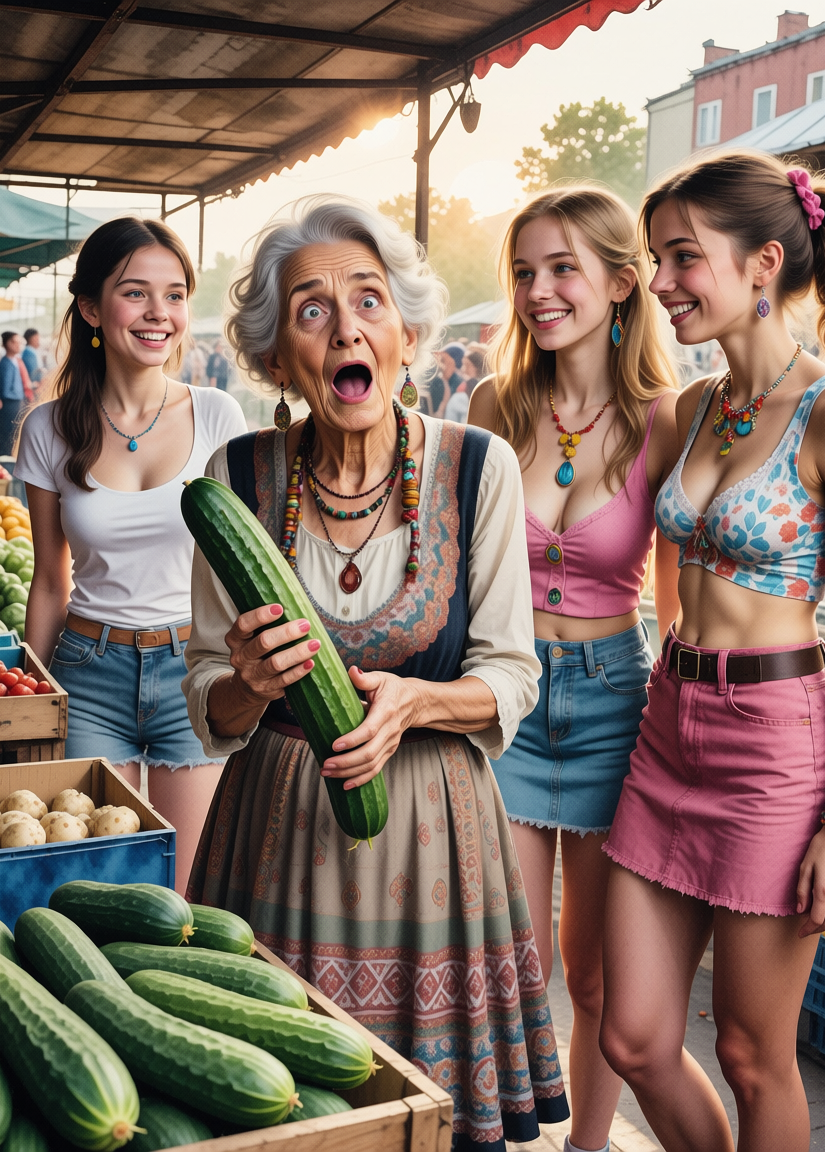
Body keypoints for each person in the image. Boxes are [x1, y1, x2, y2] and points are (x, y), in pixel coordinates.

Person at [182, 194, 570, 1150]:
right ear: (279, 357)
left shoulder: (479, 468)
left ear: (406, 331)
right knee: (275, 1102)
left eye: (368, 299)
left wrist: (415, 703)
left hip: (434, 840)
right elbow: (206, 700)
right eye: (312, 308)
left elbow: (512, 674)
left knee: (424, 1118)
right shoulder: (233, 478)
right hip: (273, 832)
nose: (346, 325)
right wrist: (248, 681)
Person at [598, 151, 825, 1152]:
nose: (659, 283)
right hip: (666, 728)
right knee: (633, 1036)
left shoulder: (821, 413)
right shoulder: (689, 407)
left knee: (748, 1055)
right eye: (655, 259)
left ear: (764, 261)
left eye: (682, 257)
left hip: (775, 749)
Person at [468, 185, 680, 1152]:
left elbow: (675, 604)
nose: (538, 291)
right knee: (510, 962)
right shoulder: (489, 407)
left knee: (592, 975)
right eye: (523, 271)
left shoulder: (665, 420)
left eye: (562, 268)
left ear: (621, 283)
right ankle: (501, 1131)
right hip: (504, 698)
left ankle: (586, 1148)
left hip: (613, 703)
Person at [14, 216, 247, 896]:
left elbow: (245, 570)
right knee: (92, 885)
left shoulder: (218, 417)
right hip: (89, 674)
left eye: (175, 295)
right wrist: (37, 696)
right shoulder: (47, 429)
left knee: (181, 893)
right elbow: (51, 580)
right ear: (90, 307)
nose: (160, 314)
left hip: (195, 674)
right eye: (136, 293)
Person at [0, 332, 32, 456]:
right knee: (7, 436)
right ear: (8, 344)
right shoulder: (6, 364)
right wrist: (1, 397)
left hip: (15, 402)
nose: (18, 345)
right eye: (15, 342)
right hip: (10, 405)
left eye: (19, 342)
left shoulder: (14, 361)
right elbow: (5, 389)